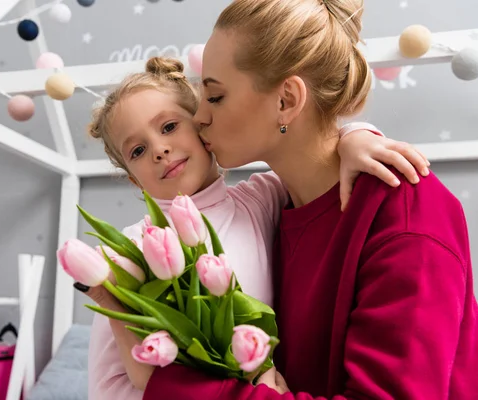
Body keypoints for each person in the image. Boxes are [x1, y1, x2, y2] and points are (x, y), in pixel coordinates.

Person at [122, 0, 478, 399]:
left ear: (285, 101)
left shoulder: (404, 211)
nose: (199, 117)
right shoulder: (274, 208)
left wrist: (172, 388)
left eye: (214, 96)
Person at [80, 54, 430, 400]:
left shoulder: (259, 198)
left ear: (204, 126)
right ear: (134, 180)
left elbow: (316, 154)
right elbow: (109, 378)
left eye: (169, 127)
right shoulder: (137, 247)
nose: (159, 149)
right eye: (138, 150)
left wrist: (357, 136)